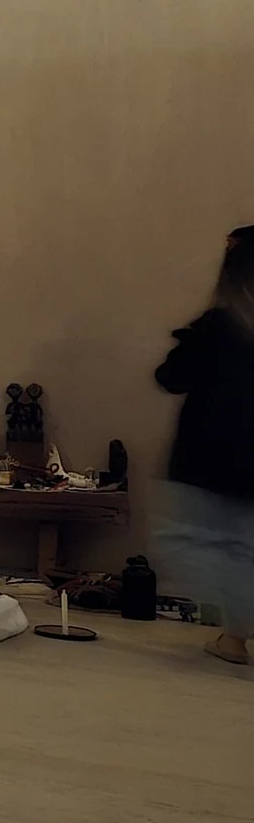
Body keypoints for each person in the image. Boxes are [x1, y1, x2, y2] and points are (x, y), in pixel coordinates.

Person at [156, 234, 254, 665]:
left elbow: (171, 376)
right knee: (242, 548)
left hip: (211, 454)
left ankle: (235, 634)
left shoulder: (220, 326)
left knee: (188, 542)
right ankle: (234, 637)